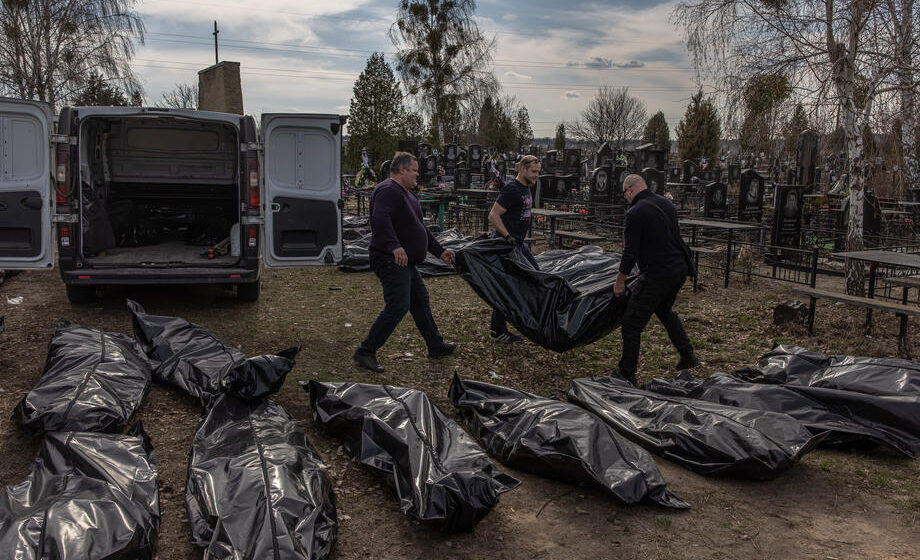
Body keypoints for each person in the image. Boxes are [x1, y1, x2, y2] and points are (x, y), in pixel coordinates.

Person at [353, 152, 457, 373]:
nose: (417, 175)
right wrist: (394, 245)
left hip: (405, 261)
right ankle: (365, 351)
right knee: (398, 305)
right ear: (402, 170)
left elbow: (421, 229)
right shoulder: (388, 190)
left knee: (420, 300)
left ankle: (435, 345)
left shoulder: (408, 195)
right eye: (414, 171)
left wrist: (440, 252)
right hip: (389, 258)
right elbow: (379, 219)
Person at [613, 174, 699, 386]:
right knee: (664, 309)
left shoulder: (635, 212)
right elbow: (662, 239)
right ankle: (687, 353)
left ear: (630, 189)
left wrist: (620, 281)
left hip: (658, 273)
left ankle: (627, 373)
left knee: (631, 323)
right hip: (678, 268)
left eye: (625, 194)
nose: (626, 198)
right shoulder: (666, 203)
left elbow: (630, 252)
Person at [486, 154, 542, 343]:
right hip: (506, 245)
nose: (536, 175)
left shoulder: (525, 188)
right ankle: (498, 330)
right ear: (523, 168)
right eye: (534, 172)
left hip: (518, 244)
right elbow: (493, 215)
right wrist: (507, 236)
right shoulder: (512, 189)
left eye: (538, 172)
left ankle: (528, 319)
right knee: (508, 287)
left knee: (535, 276)